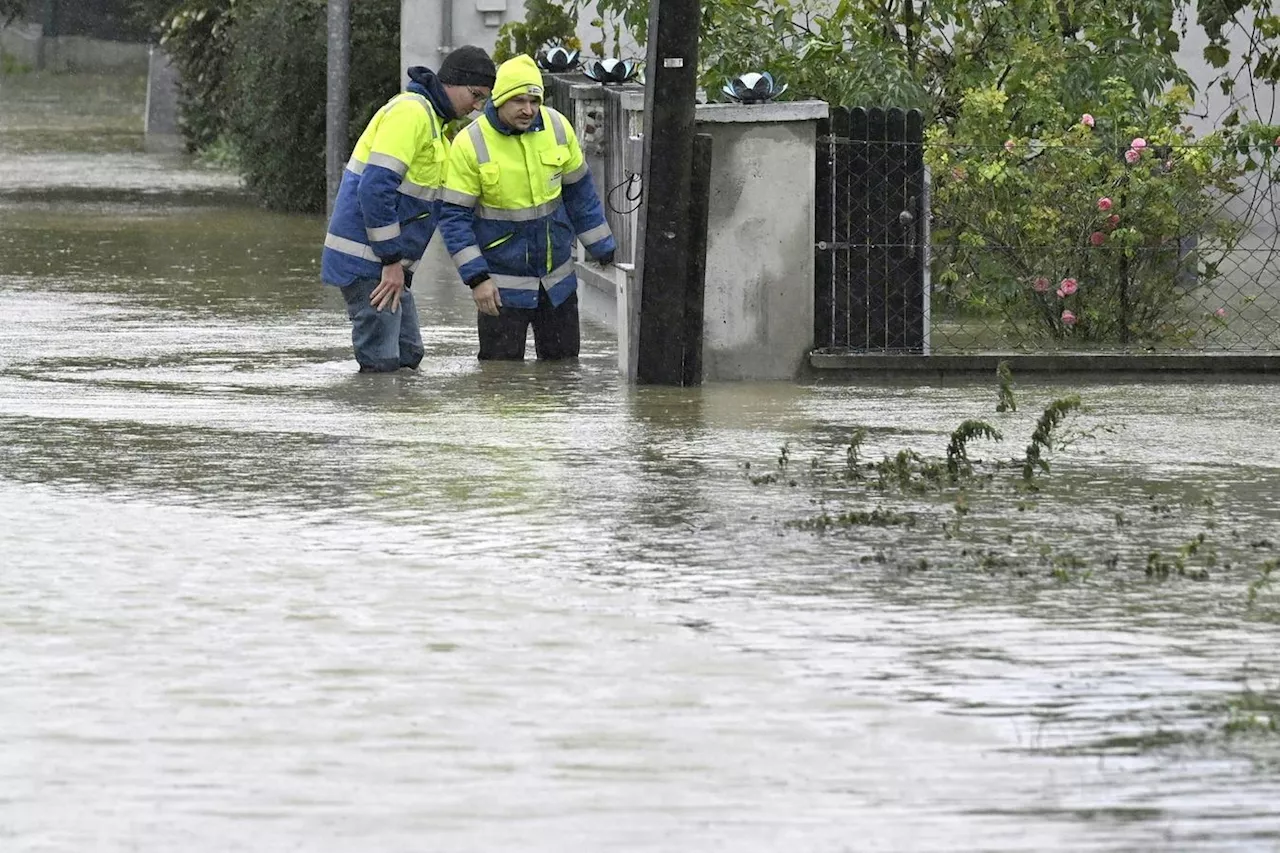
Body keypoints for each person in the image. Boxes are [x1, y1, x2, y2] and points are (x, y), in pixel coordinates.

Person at [321, 46, 496, 372]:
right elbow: (374, 189)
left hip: (385, 265)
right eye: (475, 95)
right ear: (452, 82)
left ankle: (397, 414)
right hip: (370, 263)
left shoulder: (435, 128)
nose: (476, 107)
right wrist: (390, 261)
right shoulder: (411, 114)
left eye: (483, 99)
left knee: (408, 355)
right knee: (382, 364)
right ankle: (378, 415)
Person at [438, 54, 616, 361]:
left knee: (564, 377)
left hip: (557, 285)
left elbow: (579, 193)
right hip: (499, 291)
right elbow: (454, 218)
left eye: (534, 100)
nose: (528, 109)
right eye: (519, 101)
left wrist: (603, 247)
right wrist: (477, 279)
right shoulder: (470, 142)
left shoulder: (557, 127)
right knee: (501, 385)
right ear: (500, 100)